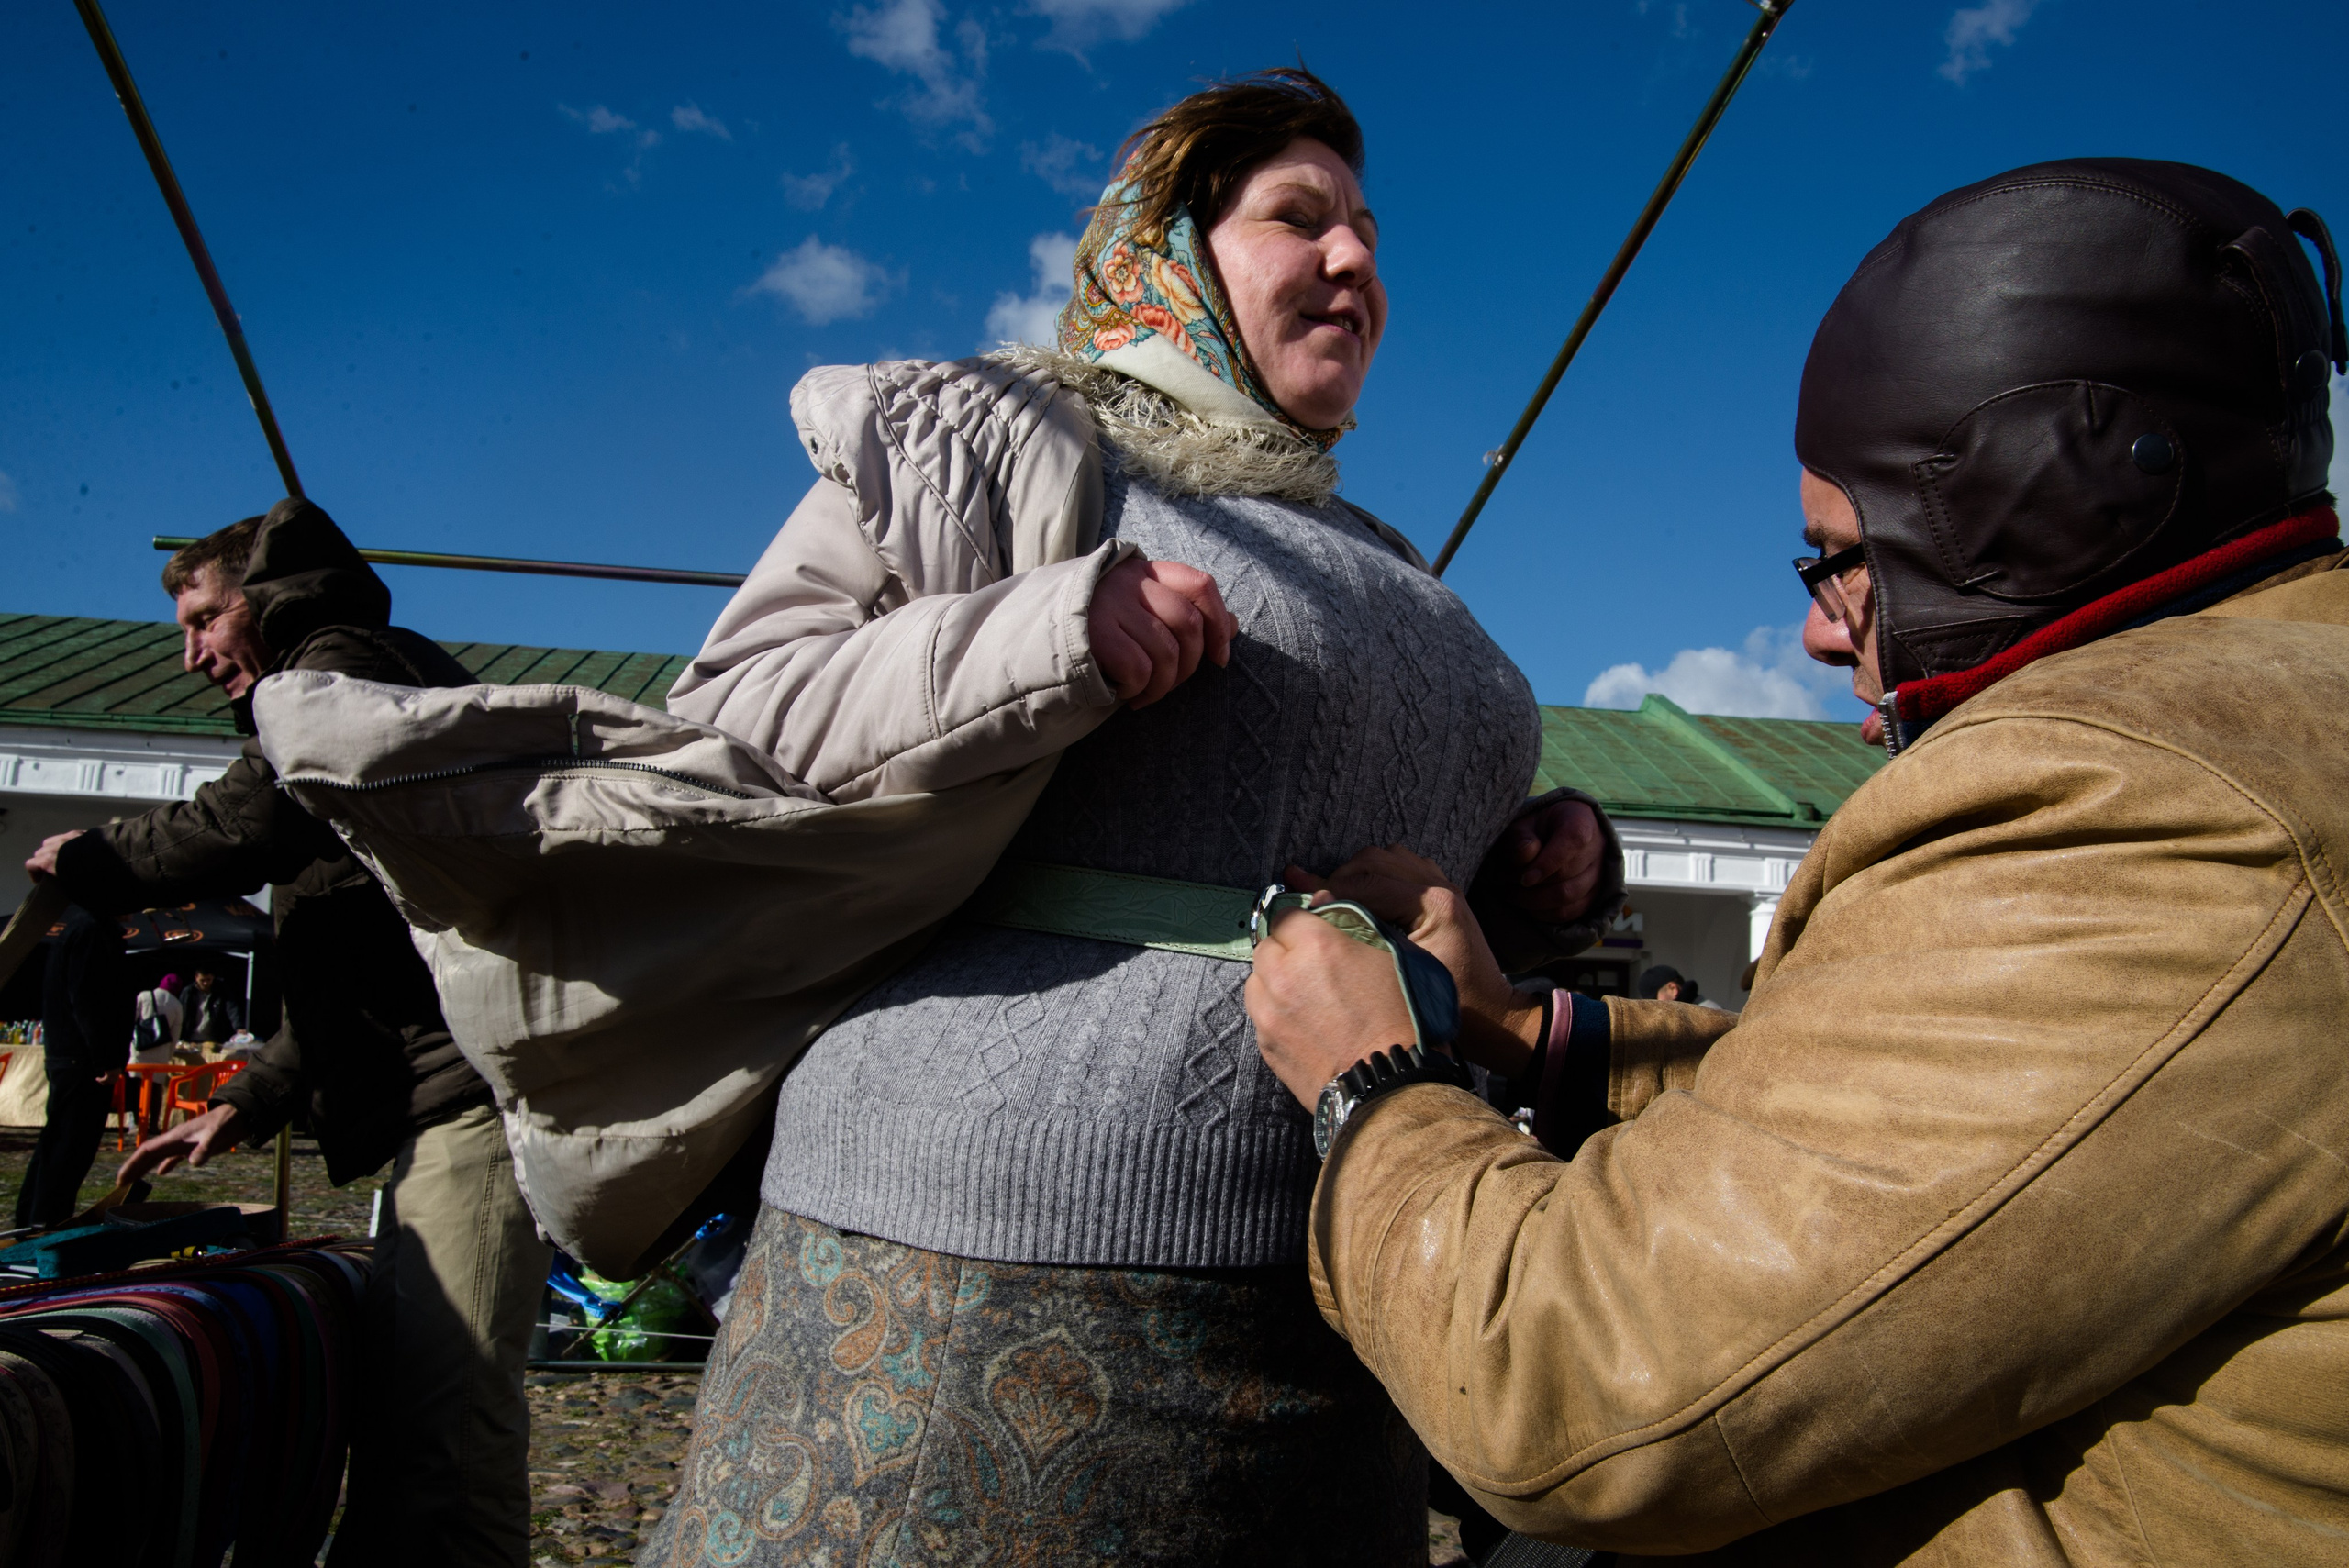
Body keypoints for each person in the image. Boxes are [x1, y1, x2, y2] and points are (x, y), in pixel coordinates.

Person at [1245, 159, 2349, 1563]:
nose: (1827, 632)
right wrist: (1533, 1030)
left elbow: (1583, 1382)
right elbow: (1891, 1132)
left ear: (2053, 501)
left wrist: (1371, 1089)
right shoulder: (2267, 714)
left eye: (1843, 559)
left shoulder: (2142, 803)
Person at [647, 68, 1619, 1567]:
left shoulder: (1388, 555)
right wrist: (1051, 631)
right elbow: (734, 724)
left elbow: (1330, 819)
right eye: (1301, 219)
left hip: (1349, 1260)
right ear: (1167, 242)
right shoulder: (1010, 441)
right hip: (981, 1254)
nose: (1357, 261)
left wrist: (1539, 860)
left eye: (1367, 230)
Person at [23, 500, 553, 1568]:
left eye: (205, 619)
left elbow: (240, 825)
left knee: (445, 1429)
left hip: (473, 1101)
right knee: (410, 1410)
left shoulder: (341, 670)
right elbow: (360, 955)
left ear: (262, 595)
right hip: (429, 1098)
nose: (190, 657)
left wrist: (88, 858)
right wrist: (244, 1098)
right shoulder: (332, 684)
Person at [13, 904, 131, 1229]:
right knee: (68, 1149)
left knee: (58, 1145)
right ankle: (45, 1223)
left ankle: (34, 1221)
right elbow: (90, 1000)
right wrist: (106, 1058)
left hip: (74, 1057)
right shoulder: (92, 931)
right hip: (82, 1061)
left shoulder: (81, 929)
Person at [182, 964, 244, 1048]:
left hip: (214, 1040)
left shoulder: (221, 991)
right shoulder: (188, 993)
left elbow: (232, 1009)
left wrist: (239, 1027)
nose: (205, 983)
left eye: (209, 980)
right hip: (191, 1040)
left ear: (213, 977)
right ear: (196, 977)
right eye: (202, 980)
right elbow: (181, 1012)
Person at [130, 972, 183, 1062]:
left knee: (136, 1076)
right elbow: (175, 1034)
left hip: (140, 1049)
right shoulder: (177, 1005)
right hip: (161, 1055)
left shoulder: (144, 995)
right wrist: (169, 1056)